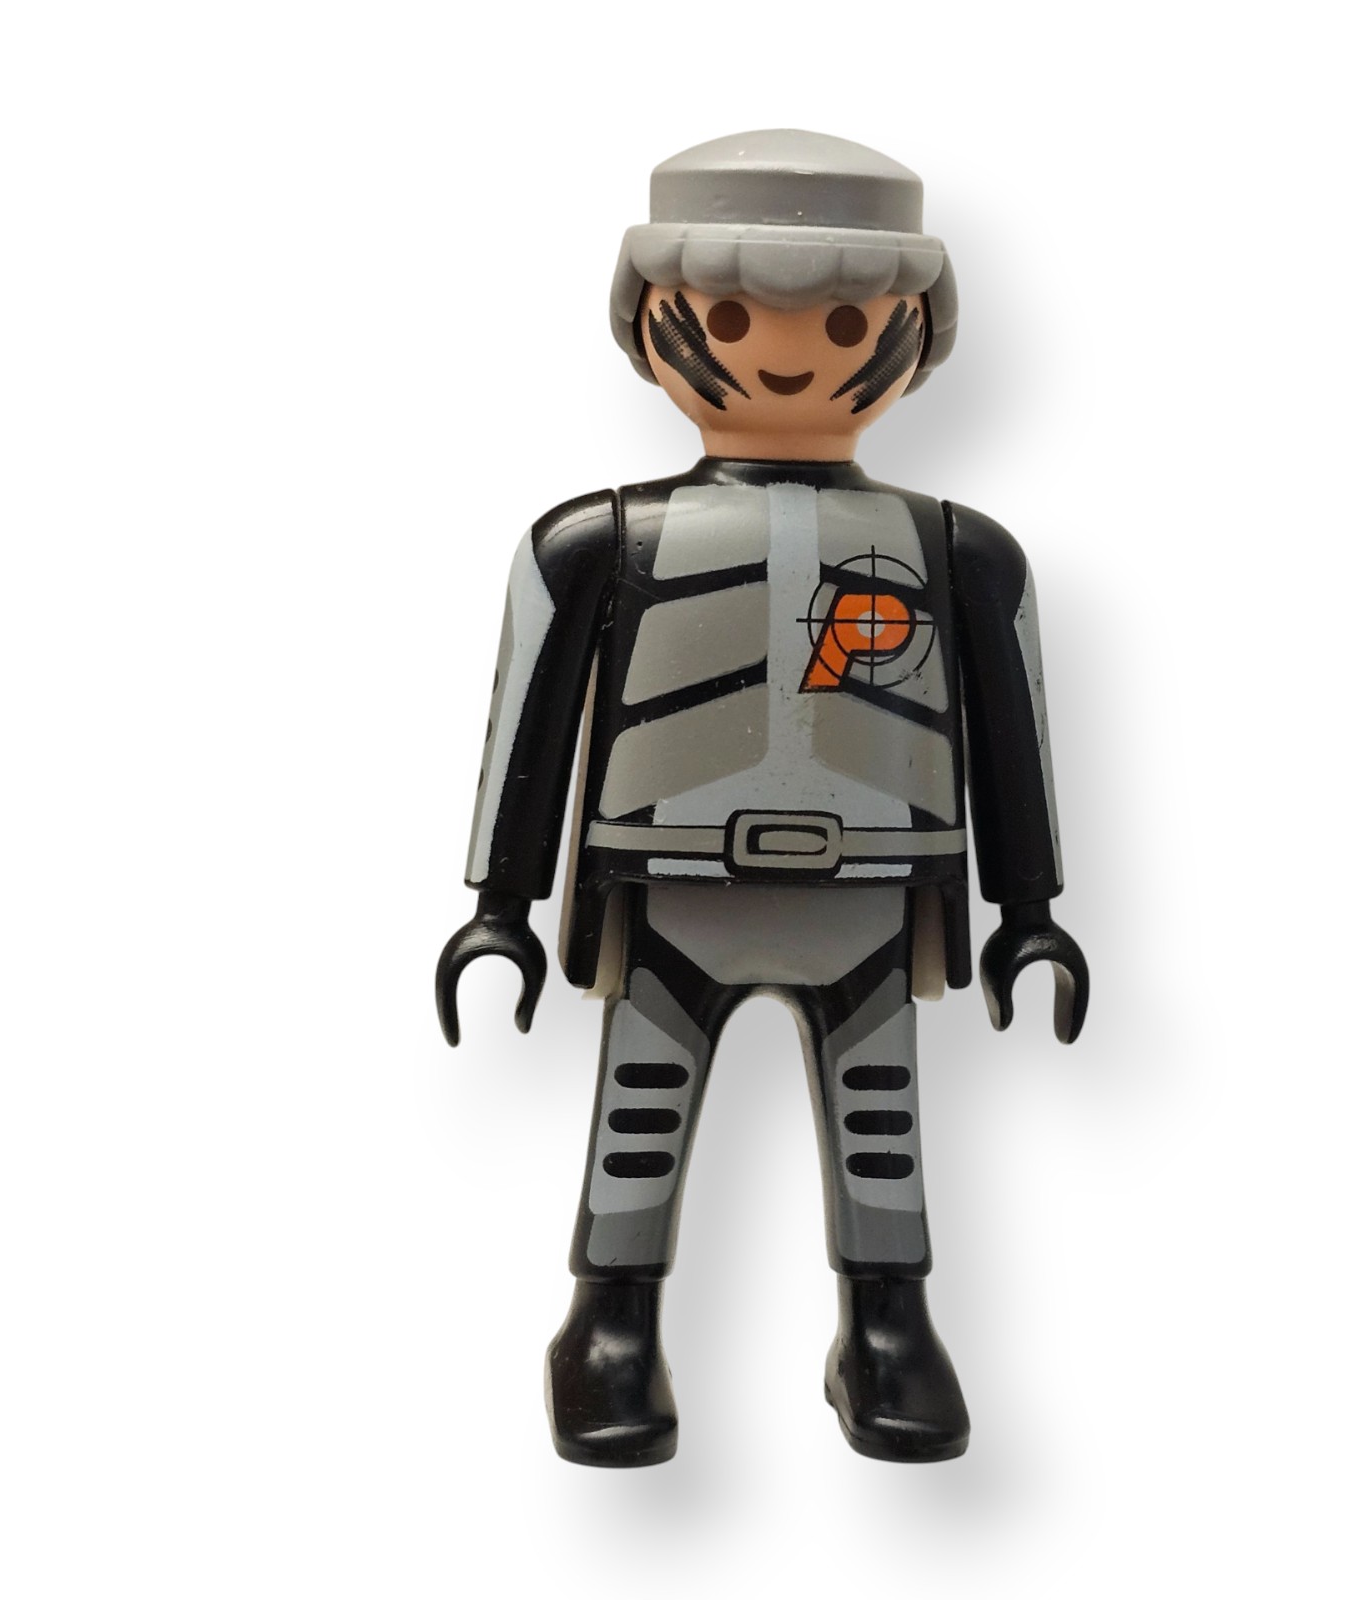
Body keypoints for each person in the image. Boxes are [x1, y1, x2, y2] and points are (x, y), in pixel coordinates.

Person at [437, 129, 1088, 1466]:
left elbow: (1013, 734)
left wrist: (1030, 910)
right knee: (640, 1114)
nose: (787, 351)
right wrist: (499, 901)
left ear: (912, 334)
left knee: (879, 1123)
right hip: (669, 878)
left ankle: (888, 1327)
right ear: (654, 322)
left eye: (846, 321)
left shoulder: (957, 553)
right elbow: (531, 725)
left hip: (872, 884)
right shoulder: (596, 544)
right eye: (730, 317)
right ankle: (609, 1326)